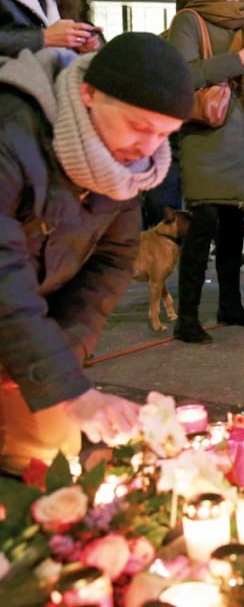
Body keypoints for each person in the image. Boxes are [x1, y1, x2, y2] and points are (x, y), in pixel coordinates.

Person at [0, 32, 195, 473]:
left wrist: (61, 361)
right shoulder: (11, 132)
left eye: (164, 134)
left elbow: (111, 262)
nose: (147, 148)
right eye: (140, 126)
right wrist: (70, 390)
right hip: (12, 306)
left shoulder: (124, 166)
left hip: (23, 328)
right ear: (89, 94)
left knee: (52, 451)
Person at [167, 0, 244, 344]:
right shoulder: (189, 20)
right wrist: (238, 59)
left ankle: (231, 304)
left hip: (241, 134)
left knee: (233, 229)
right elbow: (180, 75)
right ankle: (188, 318)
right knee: (202, 226)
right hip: (207, 136)